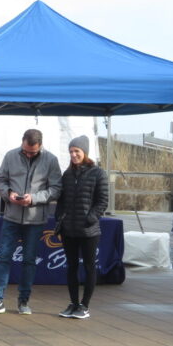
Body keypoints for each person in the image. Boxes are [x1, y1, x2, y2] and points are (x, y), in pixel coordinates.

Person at [0, 129, 61, 315]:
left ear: (40, 146)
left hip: (35, 219)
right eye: (26, 151)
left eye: (33, 152)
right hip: (11, 217)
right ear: (22, 143)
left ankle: (24, 301)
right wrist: (9, 194)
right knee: (3, 257)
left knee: (29, 260)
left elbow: (56, 189)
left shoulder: (51, 160)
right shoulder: (10, 155)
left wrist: (35, 198)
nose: (29, 154)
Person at [54, 136, 109, 320]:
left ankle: (85, 305)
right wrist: (60, 219)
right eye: (71, 151)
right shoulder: (67, 174)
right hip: (69, 230)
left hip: (88, 230)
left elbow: (102, 201)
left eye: (77, 151)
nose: (74, 154)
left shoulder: (98, 173)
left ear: (85, 152)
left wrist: (90, 218)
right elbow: (61, 200)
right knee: (71, 267)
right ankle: (73, 303)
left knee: (88, 266)